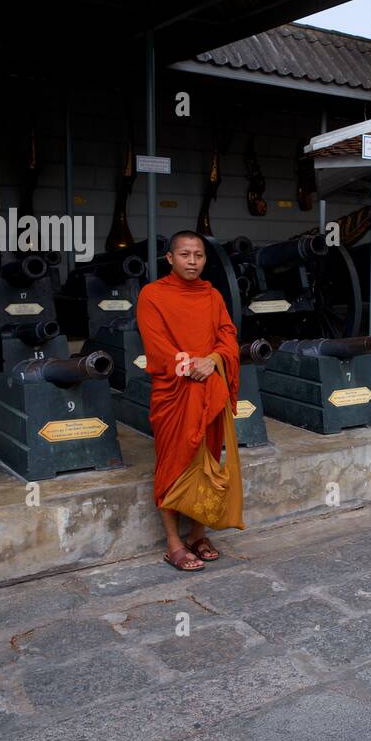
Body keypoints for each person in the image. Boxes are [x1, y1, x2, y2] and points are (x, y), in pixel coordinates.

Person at [137, 231, 241, 572]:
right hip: (174, 393)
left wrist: (212, 359)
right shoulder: (152, 295)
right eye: (185, 254)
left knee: (208, 460)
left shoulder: (212, 296)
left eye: (198, 255)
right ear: (170, 258)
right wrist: (191, 365)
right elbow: (156, 346)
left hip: (209, 390)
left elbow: (227, 335)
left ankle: (198, 533)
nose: (192, 261)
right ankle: (173, 543)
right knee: (173, 462)